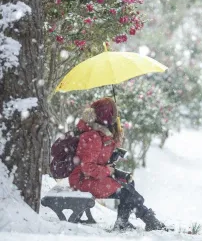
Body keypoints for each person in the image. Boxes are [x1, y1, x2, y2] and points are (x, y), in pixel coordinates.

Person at [68, 97, 167, 231]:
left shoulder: (99, 133)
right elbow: (87, 167)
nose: (116, 117)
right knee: (126, 192)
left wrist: (113, 152)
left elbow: (97, 159)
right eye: (114, 114)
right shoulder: (93, 136)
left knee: (129, 183)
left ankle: (124, 222)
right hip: (82, 181)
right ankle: (146, 219)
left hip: (91, 177)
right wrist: (108, 171)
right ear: (107, 116)